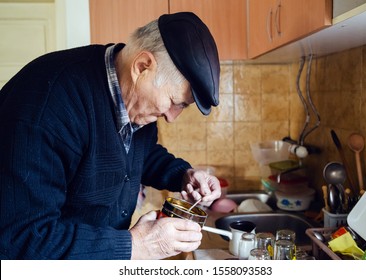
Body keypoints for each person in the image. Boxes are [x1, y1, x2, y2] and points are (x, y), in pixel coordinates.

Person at [0, 12, 221, 260]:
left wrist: (183, 176)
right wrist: (137, 246)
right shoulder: (47, 106)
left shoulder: (134, 103)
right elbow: (21, 240)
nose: (172, 116)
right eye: (174, 102)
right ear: (142, 67)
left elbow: (138, 153)